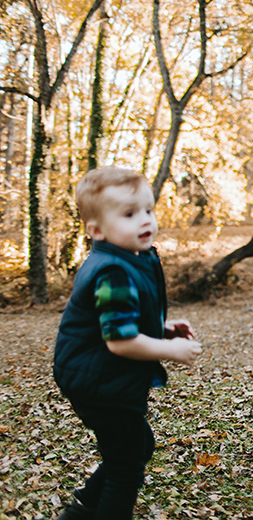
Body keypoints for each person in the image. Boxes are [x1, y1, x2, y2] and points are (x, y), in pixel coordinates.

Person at [52, 167, 203, 520]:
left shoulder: (127, 260)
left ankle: (83, 509)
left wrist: (162, 329)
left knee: (136, 445)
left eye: (148, 210)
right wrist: (172, 351)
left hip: (100, 375)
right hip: (97, 381)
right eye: (130, 214)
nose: (145, 221)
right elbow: (120, 341)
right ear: (97, 230)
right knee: (126, 466)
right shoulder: (112, 271)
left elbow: (122, 319)